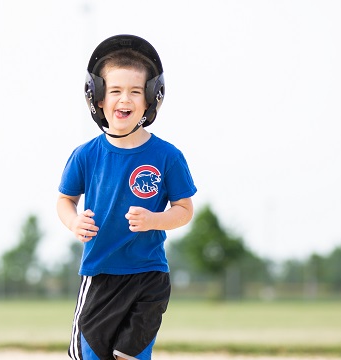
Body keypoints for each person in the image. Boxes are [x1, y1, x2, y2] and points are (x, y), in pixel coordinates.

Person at [57, 34, 197, 360]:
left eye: (136, 91)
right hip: (101, 275)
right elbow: (65, 200)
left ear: (151, 99)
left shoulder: (167, 156)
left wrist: (154, 219)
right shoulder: (85, 155)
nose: (125, 99)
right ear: (98, 98)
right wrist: (74, 222)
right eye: (115, 91)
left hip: (148, 275)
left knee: (129, 356)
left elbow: (184, 209)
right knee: (90, 357)